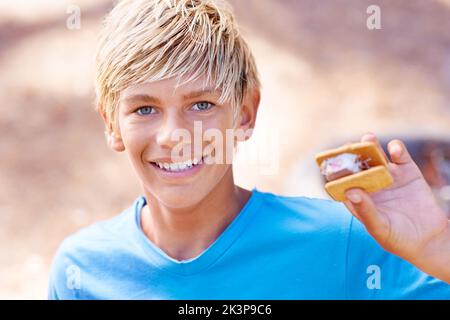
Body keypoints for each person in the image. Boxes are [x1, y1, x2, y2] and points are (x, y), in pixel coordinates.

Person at [48, 0, 450, 299]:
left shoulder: (341, 242)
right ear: (111, 124)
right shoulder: (82, 271)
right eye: (144, 108)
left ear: (244, 114)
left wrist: (437, 249)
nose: (172, 135)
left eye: (201, 105)